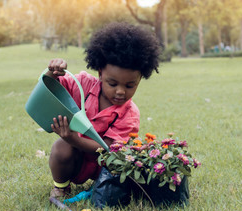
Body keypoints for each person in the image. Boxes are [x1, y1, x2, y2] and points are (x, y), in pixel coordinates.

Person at [45, 22, 161, 199]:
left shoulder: (129, 114)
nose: (120, 91)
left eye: (130, 85)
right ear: (100, 73)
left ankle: (103, 186)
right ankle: (61, 187)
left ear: (140, 79)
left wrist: (74, 139)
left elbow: (107, 149)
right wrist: (52, 72)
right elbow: (51, 88)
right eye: (112, 84)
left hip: (106, 166)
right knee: (61, 147)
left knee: (124, 165)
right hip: (77, 158)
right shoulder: (83, 84)